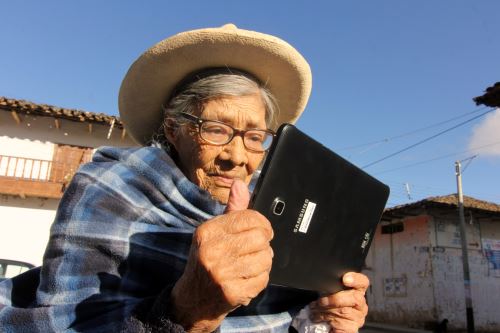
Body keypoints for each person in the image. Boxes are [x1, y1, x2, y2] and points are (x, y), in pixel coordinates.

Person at [0, 24, 369, 333]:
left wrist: (323, 320)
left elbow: (281, 319)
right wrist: (187, 309)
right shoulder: (114, 187)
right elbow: (68, 321)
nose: (236, 157)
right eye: (215, 129)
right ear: (174, 130)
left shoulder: (271, 211)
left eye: (255, 137)